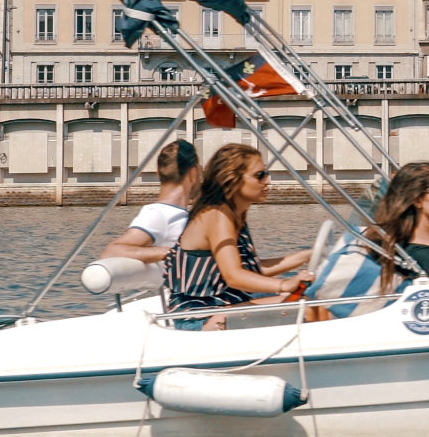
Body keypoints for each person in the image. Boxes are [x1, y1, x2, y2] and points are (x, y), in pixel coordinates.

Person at [163, 144, 314, 330]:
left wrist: (306, 257)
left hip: (224, 303)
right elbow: (234, 276)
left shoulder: (234, 214)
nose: (267, 181)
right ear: (232, 179)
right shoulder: (217, 215)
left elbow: (251, 270)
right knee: (306, 306)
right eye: (260, 175)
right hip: (199, 316)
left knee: (312, 296)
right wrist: (285, 284)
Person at [100, 139, 199, 264]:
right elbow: (112, 252)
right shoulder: (158, 214)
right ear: (193, 174)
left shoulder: (181, 214)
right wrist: (176, 253)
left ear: (158, 174)